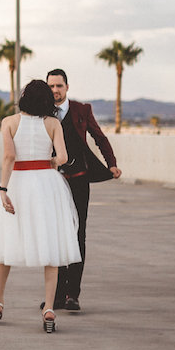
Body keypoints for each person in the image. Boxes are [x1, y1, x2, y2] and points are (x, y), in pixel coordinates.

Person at [0, 79, 81, 333]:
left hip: (17, 182)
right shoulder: (52, 123)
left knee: (6, 243)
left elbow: (9, 157)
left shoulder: (9, 122)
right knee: (50, 246)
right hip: (46, 184)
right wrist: (49, 163)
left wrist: (3, 189)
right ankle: (49, 308)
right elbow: (62, 157)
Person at [45, 68, 121, 312]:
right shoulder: (42, 112)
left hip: (78, 180)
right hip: (51, 183)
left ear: (67, 87)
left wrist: (112, 163)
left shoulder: (81, 110)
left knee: (78, 235)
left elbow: (99, 137)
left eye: (59, 86)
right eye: (51, 86)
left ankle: (72, 295)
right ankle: (55, 295)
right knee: (55, 236)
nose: (55, 91)